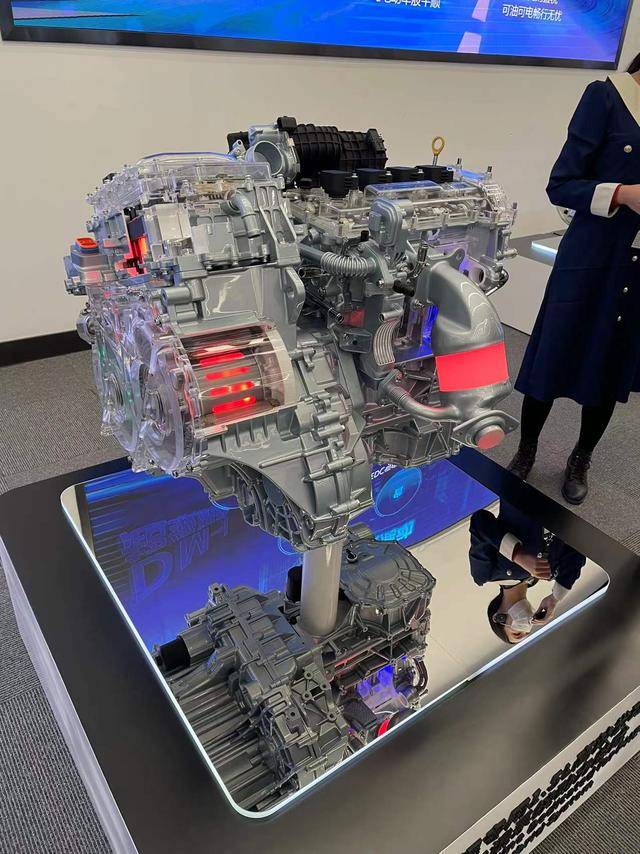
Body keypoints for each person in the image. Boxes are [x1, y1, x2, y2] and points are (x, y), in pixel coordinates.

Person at [509, 54, 640, 504]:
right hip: (590, 256)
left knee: (610, 365)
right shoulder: (607, 96)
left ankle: (582, 456)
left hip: (635, 266)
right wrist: (621, 194)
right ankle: (527, 448)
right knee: (554, 352)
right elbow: (561, 184)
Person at [469, 504, 586, 644]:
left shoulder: (486, 575)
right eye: (527, 632)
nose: (526, 627)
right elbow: (577, 551)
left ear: (499, 618)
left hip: (526, 494)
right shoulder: (549, 574)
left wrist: (517, 555)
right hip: (564, 503)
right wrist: (555, 598)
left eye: (517, 633)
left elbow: (479, 522)